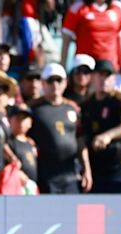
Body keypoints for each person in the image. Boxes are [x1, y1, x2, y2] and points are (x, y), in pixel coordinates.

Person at [29, 63, 92, 194]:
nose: (55, 84)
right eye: (50, 80)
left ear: (65, 82)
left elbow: (80, 140)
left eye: (59, 80)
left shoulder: (72, 108)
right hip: (46, 175)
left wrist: (86, 169)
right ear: (43, 83)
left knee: (72, 212)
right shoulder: (33, 109)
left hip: (70, 174)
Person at [79, 59, 121, 193]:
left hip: (119, 168)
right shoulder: (87, 105)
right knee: (94, 212)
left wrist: (108, 135)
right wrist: (86, 168)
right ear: (92, 77)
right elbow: (81, 136)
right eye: (100, 75)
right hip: (96, 169)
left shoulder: (119, 100)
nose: (103, 79)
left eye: (108, 75)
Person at [61, 0, 121, 71]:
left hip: (109, 68)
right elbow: (66, 42)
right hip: (86, 69)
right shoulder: (77, 8)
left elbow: (120, 41)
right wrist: (63, 67)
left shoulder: (117, 8)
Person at [5, 105, 40, 194]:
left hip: (32, 185)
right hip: (16, 185)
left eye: (24, 119)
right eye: (18, 118)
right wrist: (18, 173)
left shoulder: (31, 143)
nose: (21, 122)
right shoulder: (8, 142)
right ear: (10, 120)